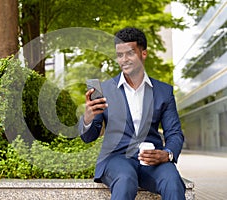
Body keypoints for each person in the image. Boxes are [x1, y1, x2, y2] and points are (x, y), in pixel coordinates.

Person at [78, 27, 185, 200]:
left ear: (143, 53)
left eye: (130, 54)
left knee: (172, 180)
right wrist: (88, 118)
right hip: (116, 159)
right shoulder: (104, 90)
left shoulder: (164, 92)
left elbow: (174, 133)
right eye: (120, 55)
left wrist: (167, 154)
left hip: (151, 161)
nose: (124, 60)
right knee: (126, 179)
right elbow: (88, 137)